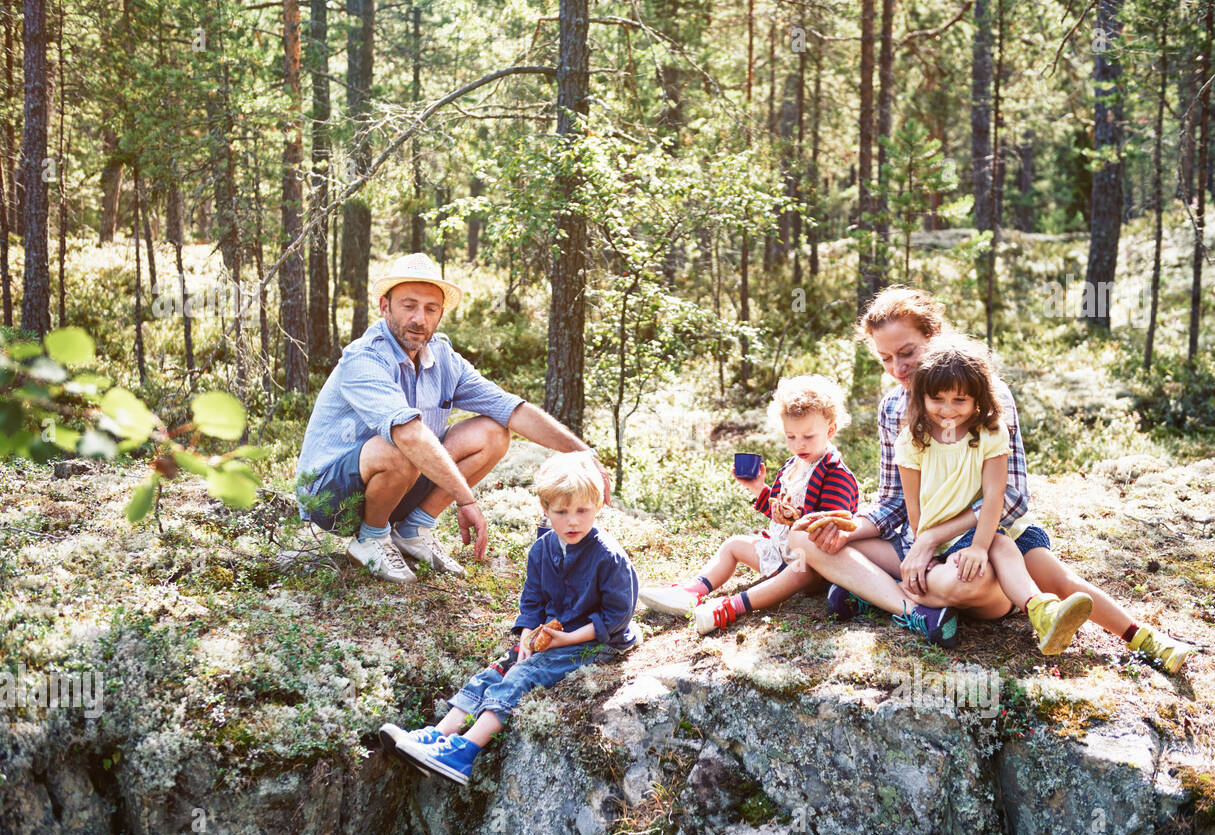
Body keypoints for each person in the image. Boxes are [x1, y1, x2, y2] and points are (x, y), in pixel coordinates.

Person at [788, 286, 1192, 672]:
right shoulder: (893, 408)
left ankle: (1143, 637)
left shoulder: (986, 397)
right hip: (923, 542)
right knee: (805, 540)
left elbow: (1012, 496)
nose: (898, 368)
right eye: (885, 359)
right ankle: (914, 608)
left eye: (907, 352)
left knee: (1045, 576)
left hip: (994, 536)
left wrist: (935, 536)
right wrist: (847, 529)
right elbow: (895, 501)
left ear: (934, 336)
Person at [294, 253, 608, 584]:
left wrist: (583, 454)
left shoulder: (443, 357)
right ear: (384, 306)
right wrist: (466, 499)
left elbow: (510, 408)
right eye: (408, 305)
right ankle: (370, 539)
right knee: (402, 442)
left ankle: (414, 529)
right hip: (330, 497)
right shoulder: (364, 357)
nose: (419, 318)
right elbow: (410, 436)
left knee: (493, 432)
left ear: (441, 314)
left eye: (430, 309)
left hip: (397, 484)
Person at [379, 451, 638, 785]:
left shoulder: (608, 556)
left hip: (595, 641)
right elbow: (533, 600)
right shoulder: (542, 550)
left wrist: (569, 639)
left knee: (524, 674)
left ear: (598, 507)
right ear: (545, 510)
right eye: (561, 512)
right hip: (552, 633)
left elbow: (617, 615)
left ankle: (465, 750)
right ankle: (436, 735)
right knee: (500, 669)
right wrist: (528, 635)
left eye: (582, 511)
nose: (573, 521)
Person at [639, 375, 896, 637]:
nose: (799, 444)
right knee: (733, 545)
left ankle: (731, 607)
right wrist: (759, 489)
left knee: (800, 571)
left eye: (808, 436)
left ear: (830, 430)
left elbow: (830, 527)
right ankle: (692, 591)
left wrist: (797, 519)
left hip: (812, 563)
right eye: (791, 436)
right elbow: (778, 509)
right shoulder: (792, 466)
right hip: (779, 549)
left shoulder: (835, 474)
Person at [895, 334, 1094, 654]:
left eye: (959, 400)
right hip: (936, 538)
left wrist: (978, 547)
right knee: (961, 571)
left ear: (978, 400)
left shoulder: (989, 433)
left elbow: (994, 496)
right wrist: (925, 550)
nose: (948, 410)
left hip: (975, 528)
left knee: (1001, 544)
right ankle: (885, 596)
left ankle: (1042, 611)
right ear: (922, 396)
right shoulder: (911, 440)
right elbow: (914, 507)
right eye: (938, 399)